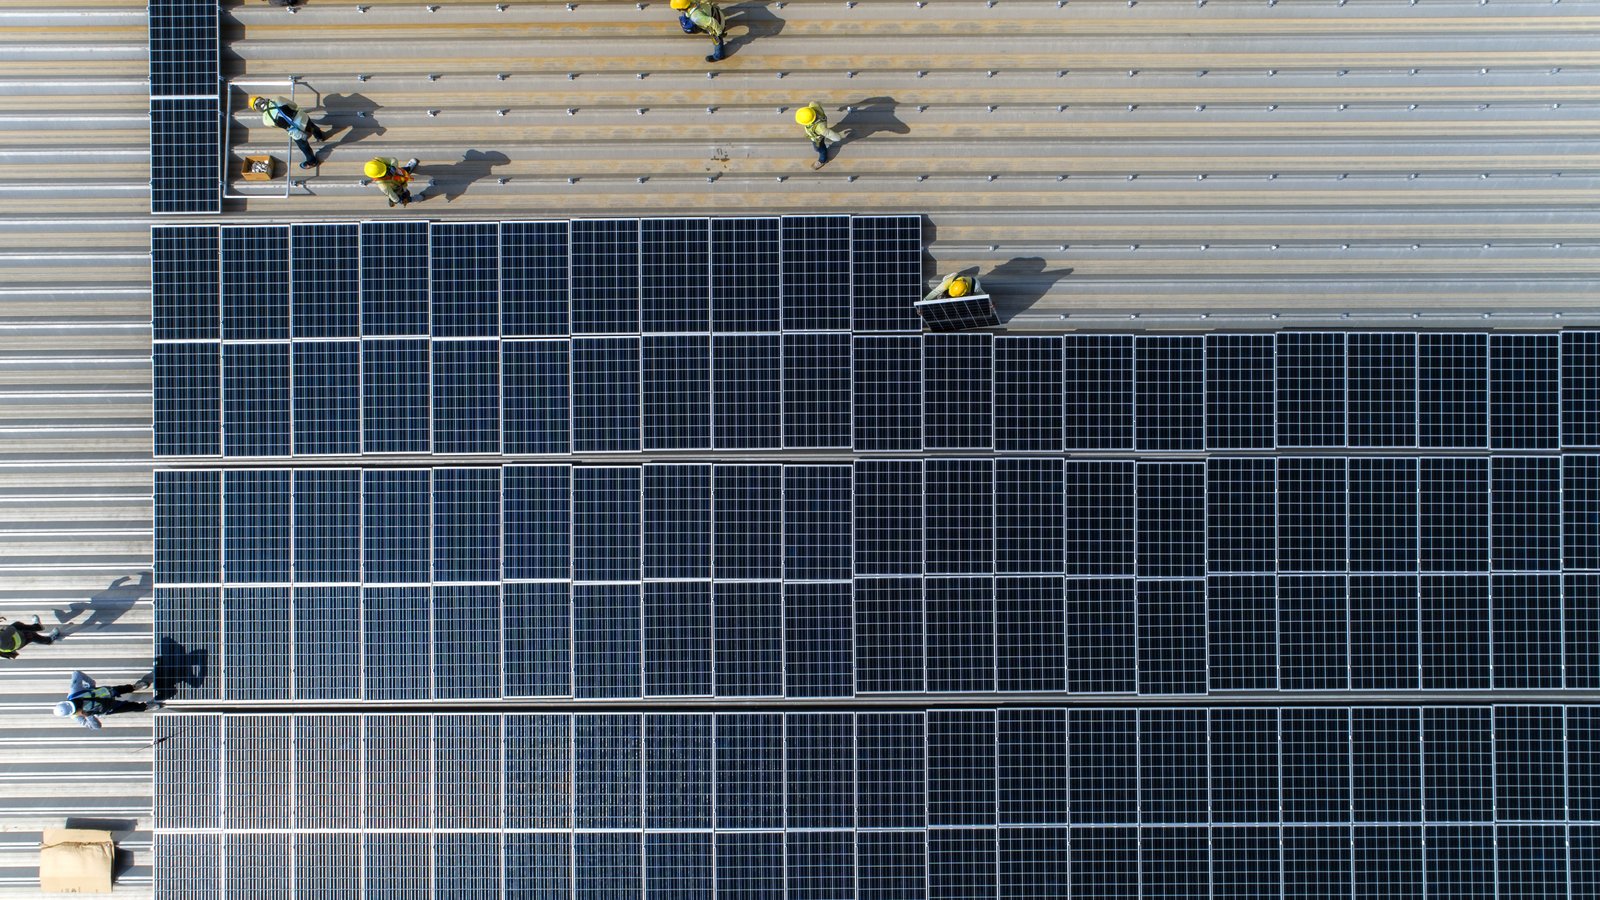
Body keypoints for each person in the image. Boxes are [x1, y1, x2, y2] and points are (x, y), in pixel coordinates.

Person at [55, 671, 157, 730]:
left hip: (106, 692)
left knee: (125, 688)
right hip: (109, 707)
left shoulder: (74, 692)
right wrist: (88, 715)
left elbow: (76, 673)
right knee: (130, 707)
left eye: (75, 703)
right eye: (76, 707)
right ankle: (146, 706)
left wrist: (91, 684)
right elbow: (96, 727)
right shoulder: (77, 717)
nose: (78, 704)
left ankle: (136, 687)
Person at [251, 95, 329, 169]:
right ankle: (320, 136)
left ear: (257, 109)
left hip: (296, 131)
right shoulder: (278, 99)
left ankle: (312, 161)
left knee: (304, 146)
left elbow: (278, 126)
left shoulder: (266, 120)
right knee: (311, 126)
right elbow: (294, 105)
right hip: (302, 117)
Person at [796, 102, 843, 169]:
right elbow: (813, 102)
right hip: (822, 125)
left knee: (819, 148)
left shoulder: (820, 129)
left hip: (818, 138)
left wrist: (838, 137)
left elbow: (831, 134)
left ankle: (823, 160)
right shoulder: (814, 106)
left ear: (810, 122)